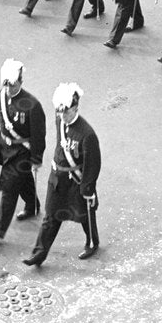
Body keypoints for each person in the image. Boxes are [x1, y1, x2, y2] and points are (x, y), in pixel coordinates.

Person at [23, 80, 99, 268]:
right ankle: (39, 254)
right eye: (59, 111)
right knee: (51, 216)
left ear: (76, 108)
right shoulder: (59, 120)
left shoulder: (87, 134)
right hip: (57, 179)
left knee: (84, 215)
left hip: (75, 181)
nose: (62, 115)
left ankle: (92, 242)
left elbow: (93, 164)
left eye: (66, 111)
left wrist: (87, 187)